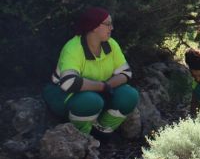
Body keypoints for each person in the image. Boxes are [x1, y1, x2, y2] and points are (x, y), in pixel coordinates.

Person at [43, 7, 139, 136]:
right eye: (108, 24)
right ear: (94, 27)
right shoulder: (73, 48)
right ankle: (81, 137)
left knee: (129, 95)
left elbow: (126, 73)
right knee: (91, 101)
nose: (112, 28)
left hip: (98, 92)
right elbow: (69, 83)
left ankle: (103, 131)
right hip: (64, 95)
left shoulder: (111, 44)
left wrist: (107, 86)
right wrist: (102, 86)